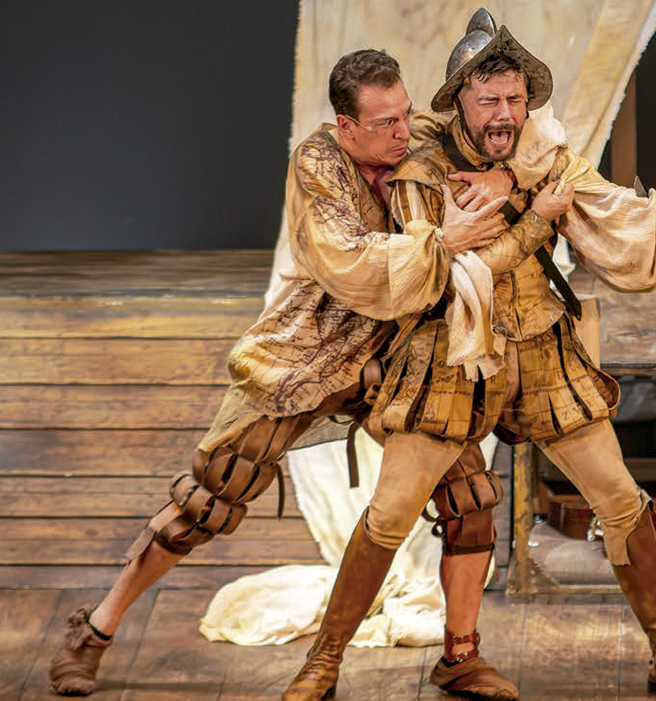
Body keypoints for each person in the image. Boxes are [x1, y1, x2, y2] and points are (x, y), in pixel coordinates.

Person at [280, 9, 656, 701]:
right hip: (451, 354)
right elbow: (448, 272)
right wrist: (532, 217)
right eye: (489, 100)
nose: (505, 114)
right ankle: (322, 662)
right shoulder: (421, 172)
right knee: (390, 512)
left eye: (515, 98)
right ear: (459, 103)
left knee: (621, 499)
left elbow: (629, 212)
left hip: (540, 348)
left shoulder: (541, 155)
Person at [48, 48, 516, 697]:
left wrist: (505, 177)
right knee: (213, 491)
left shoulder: (418, 139)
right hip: (314, 349)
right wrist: (442, 241)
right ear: (346, 126)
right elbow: (350, 263)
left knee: (468, 494)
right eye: (384, 122)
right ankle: (94, 630)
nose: (403, 131)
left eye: (406, 114)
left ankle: (460, 655)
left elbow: (495, 141)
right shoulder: (318, 162)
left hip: (400, 351)